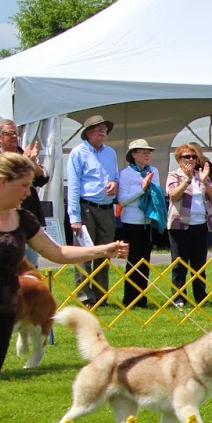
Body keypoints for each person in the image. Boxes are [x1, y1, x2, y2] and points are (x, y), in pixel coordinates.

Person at [0, 152, 128, 423]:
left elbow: (56, 252)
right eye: (24, 185)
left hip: (3, 312)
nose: (29, 192)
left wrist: (103, 250)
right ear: (3, 182)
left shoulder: (23, 220)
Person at [66, 114, 120, 306]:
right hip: (86, 207)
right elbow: (73, 185)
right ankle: (85, 297)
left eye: (105, 128)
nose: (103, 131)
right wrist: (74, 217)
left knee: (104, 253)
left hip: (106, 208)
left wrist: (114, 183)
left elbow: (116, 177)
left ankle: (101, 296)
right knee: (84, 254)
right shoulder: (78, 153)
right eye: (98, 128)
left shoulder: (110, 153)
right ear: (88, 133)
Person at [166, 143, 212, 307]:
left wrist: (204, 182)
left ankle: (200, 297)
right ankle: (178, 297)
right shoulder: (174, 175)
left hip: (201, 225)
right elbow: (173, 196)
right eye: (186, 157)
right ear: (179, 159)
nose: (190, 159)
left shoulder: (202, 175)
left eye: (193, 156)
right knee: (179, 264)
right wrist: (187, 180)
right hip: (180, 226)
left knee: (199, 264)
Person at [0, 120, 46, 264]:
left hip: (29, 214)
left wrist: (33, 163)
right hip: (6, 217)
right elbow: (7, 179)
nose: (14, 136)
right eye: (9, 133)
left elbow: (41, 179)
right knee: (9, 262)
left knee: (31, 264)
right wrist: (26, 162)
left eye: (15, 133)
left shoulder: (24, 153)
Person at [116, 139, 157, 308]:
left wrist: (150, 189)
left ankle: (142, 298)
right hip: (131, 221)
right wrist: (142, 189)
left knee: (144, 260)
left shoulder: (153, 170)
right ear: (133, 155)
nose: (147, 155)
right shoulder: (126, 174)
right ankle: (130, 298)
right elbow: (122, 200)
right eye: (143, 152)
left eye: (148, 152)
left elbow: (157, 193)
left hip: (147, 221)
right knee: (132, 260)